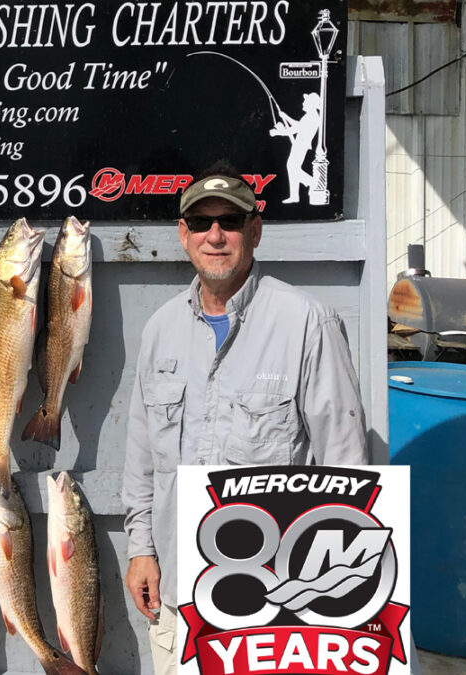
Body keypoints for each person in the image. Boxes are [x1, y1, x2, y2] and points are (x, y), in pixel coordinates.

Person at [121, 163, 368, 675]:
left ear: (255, 230)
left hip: (275, 606)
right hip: (179, 592)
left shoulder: (307, 322)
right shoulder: (160, 330)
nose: (216, 235)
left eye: (230, 220)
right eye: (202, 222)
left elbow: (347, 469)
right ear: (183, 235)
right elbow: (142, 457)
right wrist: (141, 549)